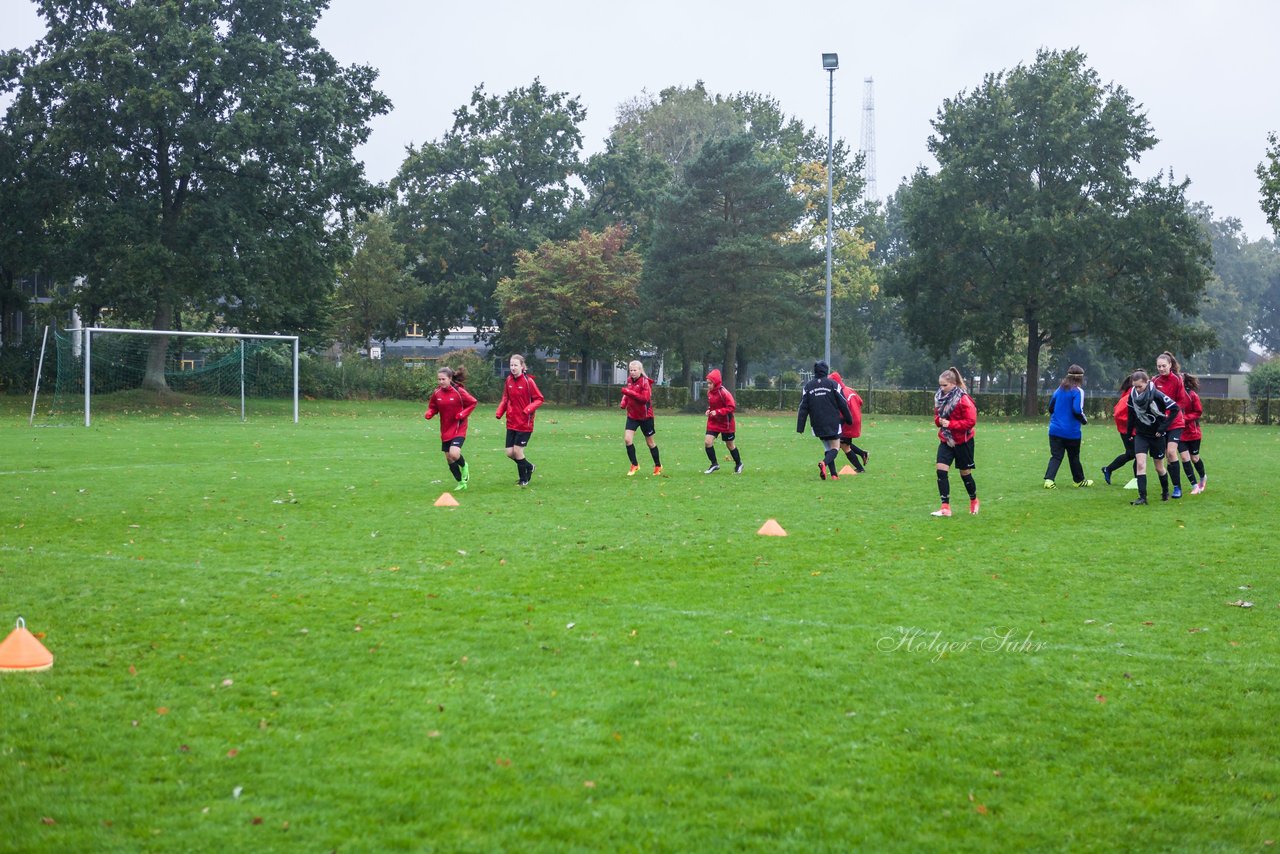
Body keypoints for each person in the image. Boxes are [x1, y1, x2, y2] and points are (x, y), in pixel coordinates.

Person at [1125, 369, 1179, 506]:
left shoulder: (1157, 394)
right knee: (1141, 464)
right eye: (1135, 386)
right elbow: (1131, 414)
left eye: (1140, 386)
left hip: (1156, 436)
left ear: (1147, 382)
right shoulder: (1132, 396)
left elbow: (1175, 409)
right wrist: (1129, 433)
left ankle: (1165, 491)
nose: (1137, 389)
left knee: (1159, 467)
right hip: (1141, 435)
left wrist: (1162, 429)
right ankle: (1142, 497)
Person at [932, 366, 979, 516]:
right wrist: (940, 421)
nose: (941, 388)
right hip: (946, 439)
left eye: (944, 385)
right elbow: (937, 418)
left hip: (963, 441)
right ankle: (945, 507)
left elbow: (971, 422)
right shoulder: (939, 397)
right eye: (940, 385)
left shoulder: (964, 399)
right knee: (941, 470)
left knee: (965, 473)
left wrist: (951, 424)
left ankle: (974, 500)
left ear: (953, 384)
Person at [424, 365, 477, 492]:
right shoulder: (437, 393)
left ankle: (464, 466)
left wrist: (463, 414)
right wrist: (430, 412)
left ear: (450, 379)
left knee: (454, 453)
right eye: (439, 379)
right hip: (445, 428)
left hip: (459, 427)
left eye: (443, 379)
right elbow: (433, 406)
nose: (441, 382)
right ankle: (461, 482)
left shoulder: (459, 391)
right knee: (449, 458)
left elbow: (473, 402)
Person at [796, 361, 852, 481]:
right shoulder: (833, 384)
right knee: (835, 448)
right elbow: (843, 403)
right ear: (826, 371)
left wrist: (800, 427)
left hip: (817, 424)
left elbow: (803, 408)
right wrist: (849, 419)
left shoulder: (808, 386)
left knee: (828, 448)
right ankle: (824, 463)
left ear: (815, 371)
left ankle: (834, 475)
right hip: (832, 422)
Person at [495, 354, 544, 486]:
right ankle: (529, 467)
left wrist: (527, 410)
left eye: (516, 365)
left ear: (522, 367)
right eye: (511, 365)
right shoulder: (508, 381)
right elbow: (505, 398)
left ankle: (524, 479)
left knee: (517, 451)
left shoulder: (529, 382)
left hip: (524, 423)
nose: (513, 367)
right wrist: (500, 412)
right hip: (511, 422)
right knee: (509, 453)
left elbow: (539, 399)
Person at [1042, 364, 1092, 488]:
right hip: (1071, 432)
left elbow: (1051, 407)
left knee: (1056, 456)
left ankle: (1049, 480)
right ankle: (1079, 481)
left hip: (1054, 430)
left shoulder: (1059, 389)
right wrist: (1084, 421)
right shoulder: (1078, 391)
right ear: (1080, 378)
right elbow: (1077, 410)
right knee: (1074, 456)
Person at [1153, 352, 1192, 498]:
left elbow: (1183, 401)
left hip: (1175, 422)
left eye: (1164, 366)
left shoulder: (1176, 380)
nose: (1161, 368)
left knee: (1171, 452)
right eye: (1159, 366)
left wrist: (1171, 412)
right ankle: (1171, 486)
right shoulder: (1154, 381)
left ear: (1170, 365)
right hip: (1161, 423)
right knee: (1166, 457)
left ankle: (1177, 488)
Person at [620, 359, 662, 476]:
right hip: (632, 415)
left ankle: (658, 465)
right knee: (628, 440)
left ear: (640, 370)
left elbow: (644, 399)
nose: (632, 372)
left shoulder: (645, 382)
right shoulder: (629, 381)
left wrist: (628, 393)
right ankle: (634, 464)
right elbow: (627, 394)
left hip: (645, 417)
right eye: (631, 370)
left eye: (634, 370)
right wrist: (624, 402)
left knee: (650, 443)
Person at [702, 368, 742, 474]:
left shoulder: (724, 393)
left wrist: (718, 412)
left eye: (710, 383)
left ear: (716, 383)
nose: (709, 386)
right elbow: (713, 405)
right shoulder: (709, 392)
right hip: (714, 421)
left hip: (726, 423)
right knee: (707, 442)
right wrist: (709, 410)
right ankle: (714, 464)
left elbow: (731, 407)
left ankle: (739, 464)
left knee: (730, 445)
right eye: (708, 383)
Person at [829, 371, 868, 473]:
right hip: (856, 419)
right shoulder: (850, 390)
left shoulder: (840, 393)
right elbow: (861, 401)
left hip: (847, 421)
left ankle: (860, 468)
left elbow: (842, 410)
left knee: (844, 445)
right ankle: (863, 453)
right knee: (844, 442)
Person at [1100, 375, 1136, 485]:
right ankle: (1138, 480)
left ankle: (1108, 469)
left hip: (1130, 429)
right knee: (1136, 454)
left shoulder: (1135, 391)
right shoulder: (1131, 393)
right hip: (1128, 430)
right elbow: (1119, 413)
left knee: (1133, 454)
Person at [1181, 373, 1207, 493]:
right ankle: (1194, 486)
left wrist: (1184, 418)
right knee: (1185, 458)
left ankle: (1203, 477)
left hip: (1193, 433)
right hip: (1179, 433)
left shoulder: (1192, 395)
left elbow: (1198, 412)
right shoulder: (1172, 395)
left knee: (1194, 458)